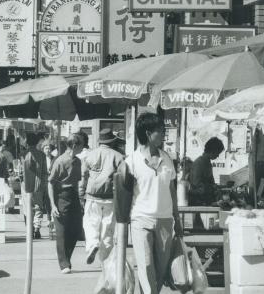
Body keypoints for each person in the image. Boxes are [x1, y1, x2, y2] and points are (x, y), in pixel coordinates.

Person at [121, 112, 183, 294]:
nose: (164, 135)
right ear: (148, 133)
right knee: (146, 265)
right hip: (141, 219)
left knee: (161, 267)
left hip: (165, 220)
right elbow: (123, 195)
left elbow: (172, 191)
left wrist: (177, 219)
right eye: (161, 131)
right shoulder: (131, 161)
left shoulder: (167, 159)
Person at [83, 128, 123, 265]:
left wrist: (81, 193)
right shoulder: (118, 156)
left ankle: (93, 244)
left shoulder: (90, 155)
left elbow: (83, 176)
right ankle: (105, 261)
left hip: (92, 196)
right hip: (110, 197)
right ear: (112, 141)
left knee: (90, 223)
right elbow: (123, 178)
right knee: (108, 229)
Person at [48, 134, 84, 274]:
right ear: (74, 146)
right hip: (61, 196)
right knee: (62, 231)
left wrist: (79, 200)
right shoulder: (60, 161)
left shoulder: (78, 162)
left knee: (76, 229)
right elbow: (50, 183)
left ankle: (66, 258)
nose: (83, 148)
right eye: (81, 145)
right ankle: (64, 264)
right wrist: (53, 205)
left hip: (73, 196)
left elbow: (77, 182)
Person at [22, 133, 48, 239]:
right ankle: (37, 228)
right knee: (38, 207)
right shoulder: (42, 155)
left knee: (27, 207)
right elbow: (45, 171)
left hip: (26, 184)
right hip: (39, 184)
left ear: (27, 142)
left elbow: (23, 171)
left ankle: (30, 229)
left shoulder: (24, 154)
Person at [189, 137, 225, 206]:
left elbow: (211, 182)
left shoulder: (208, 163)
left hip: (206, 200)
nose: (217, 156)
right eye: (217, 153)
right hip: (198, 201)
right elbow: (196, 185)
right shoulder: (199, 163)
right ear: (212, 151)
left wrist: (217, 187)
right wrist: (211, 188)